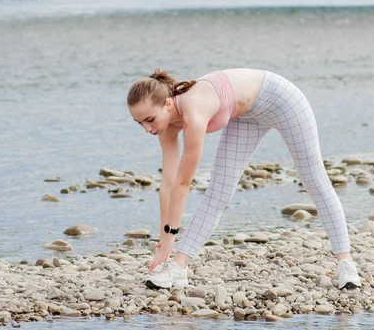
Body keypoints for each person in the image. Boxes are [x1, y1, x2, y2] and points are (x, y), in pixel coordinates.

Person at [127, 68, 361, 290]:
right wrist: (163, 238)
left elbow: (183, 183)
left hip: (282, 101)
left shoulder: (194, 111)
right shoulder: (165, 128)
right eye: (140, 123)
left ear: (168, 103)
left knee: (314, 178)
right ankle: (178, 267)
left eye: (149, 119)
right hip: (247, 116)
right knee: (218, 192)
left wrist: (170, 238)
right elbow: (167, 185)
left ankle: (346, 263)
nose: (147, 129)